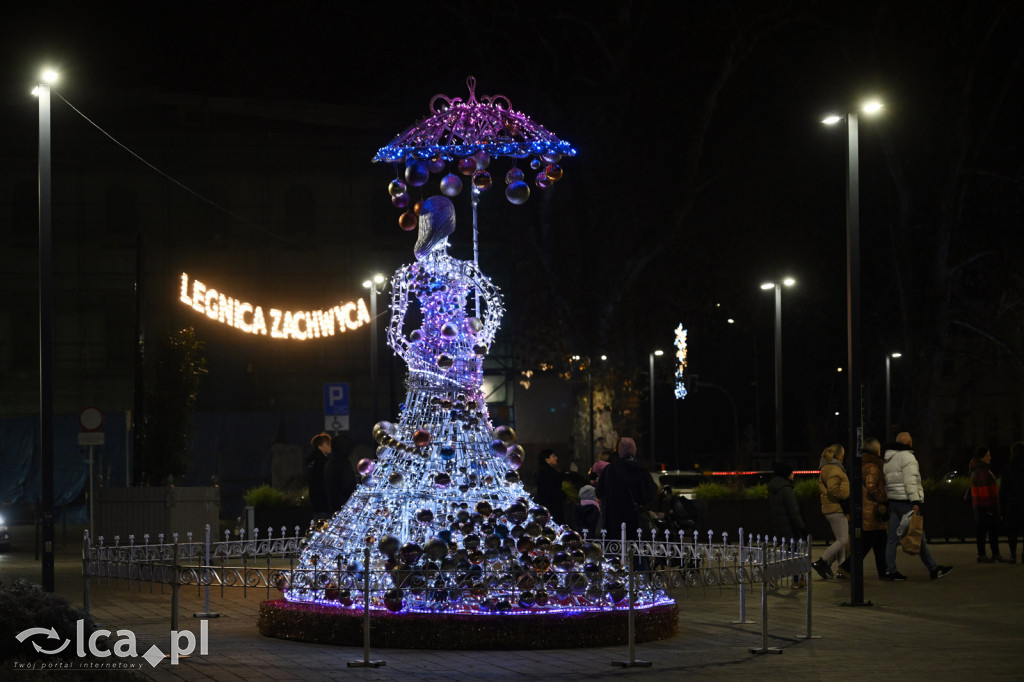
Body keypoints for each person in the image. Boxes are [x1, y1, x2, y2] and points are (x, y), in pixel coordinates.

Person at [882, 432, 953, 581]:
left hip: (893, 501)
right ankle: (933, 569)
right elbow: (911, 481)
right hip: (906, 502)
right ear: (908, 443)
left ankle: (890, 570)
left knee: (893, 538)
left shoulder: (889, 458)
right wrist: (915, 501)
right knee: (918, 535)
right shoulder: (908, 457)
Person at [839, 437, 889, 579]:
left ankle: (883, 571)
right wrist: (883, 497)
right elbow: (872, 488)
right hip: (872, 511)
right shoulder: (873, 467)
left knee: (880, 541)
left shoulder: (859, 465)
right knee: (868, 543)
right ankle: (846, 567)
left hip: (865, 509)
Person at [595, 437, 658, 537]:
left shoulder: (609, 469)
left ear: (619, 450)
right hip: (636, 522)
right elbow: (651, 493)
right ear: (634, 449)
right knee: (635, 549)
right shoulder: (641, 470)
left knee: (615, 549)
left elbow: (599, 492)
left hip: (613, 523)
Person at [811, 444, 850, 580]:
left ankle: (841, 568)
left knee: (841, 539)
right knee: (843, 539)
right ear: (838, 455)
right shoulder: (834, 469)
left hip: (830, 508)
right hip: (836, 508)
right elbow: (834, 490)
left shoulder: (826, 468)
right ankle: (822, 561)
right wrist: (845, 494)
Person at [768, 461, 808, 588]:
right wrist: (802, 527)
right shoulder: (786, 489)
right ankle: (794, 581)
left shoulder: (774, 489)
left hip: (780, 526)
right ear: (787, 474)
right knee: (794, 554)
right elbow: (793, 511)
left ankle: (795, 580)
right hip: (790, 527)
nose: (793, 475)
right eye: (792, 472)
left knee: (790, 553)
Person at [970, 446, 1003, 563]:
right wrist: (990, 508)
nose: (990, 457)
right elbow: (984, 492)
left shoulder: (981, 470)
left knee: (987, 530)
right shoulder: (981, 472)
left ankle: (992, 554)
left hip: (983, 506)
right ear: (981, 457)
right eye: (987, 456)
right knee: (984, 531)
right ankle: (983, 555)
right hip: (985, 507)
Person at [1000, 442, 1024, 564]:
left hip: (1013, 504)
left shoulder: (1009, 468)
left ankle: (1013, 555)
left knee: (1012, 532)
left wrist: (1002, 507)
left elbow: (1004, 489)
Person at [324, 433, 356, 513]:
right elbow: (348, 485)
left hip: (333, 504)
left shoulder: (331, 461)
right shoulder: (343, 463)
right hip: (344, 504)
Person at [535, 449, 568, 525]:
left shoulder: (546, 472)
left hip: (549, 505)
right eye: (553, 456)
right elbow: (550, 491)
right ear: (547, 460)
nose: (556, 458)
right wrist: (562, 494)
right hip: (552, 507)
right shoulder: (547, 473)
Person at [306, 432, 331, 516]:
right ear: (320, 446)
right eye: (327, 444)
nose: (330, 447)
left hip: (315, 500)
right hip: (322, 500)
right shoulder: (322, 461)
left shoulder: (312, 459)